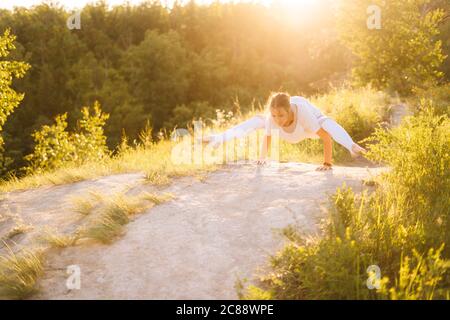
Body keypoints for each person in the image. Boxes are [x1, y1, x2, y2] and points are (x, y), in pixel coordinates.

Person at [201, 92, 367, 171]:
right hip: (289, 133)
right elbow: (267, 139)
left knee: (327, 122)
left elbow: (325, 138)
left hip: (306, 129)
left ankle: (351, 146)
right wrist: (261, 159)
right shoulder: (271, 118)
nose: (277, 119)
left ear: (290, 111)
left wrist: (327, 164)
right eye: (274, 115)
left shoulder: (302, 111)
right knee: (258, 120)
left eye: (281, 115)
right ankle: (218, 138)